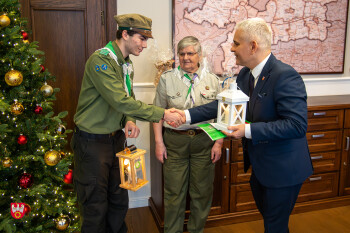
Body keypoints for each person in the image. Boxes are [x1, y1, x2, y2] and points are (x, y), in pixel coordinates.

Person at [177, 18, 313, 233]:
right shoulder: (245, 74)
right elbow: (222, 105)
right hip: (260, 166)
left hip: (283, 169)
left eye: (235, 43)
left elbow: (296, 125)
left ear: (253, 46)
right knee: (271, 220)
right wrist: (184, 115)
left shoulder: (285, 75)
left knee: (275, 226)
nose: (231, 48)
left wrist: (247, 130)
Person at [71, 14, 182, 233]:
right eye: (141, 38)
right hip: (92, 144)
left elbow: (127, 98)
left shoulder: (126, 64)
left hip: (115, 140)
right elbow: (118, 100)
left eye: (146, 40)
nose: (144, 44)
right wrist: (162, 113)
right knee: (95, 206)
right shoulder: (101, 60)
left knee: (119, 199)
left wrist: (129, 119)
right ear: (125, 34)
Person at [153, 36, 223, 233]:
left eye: (190, 53)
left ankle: (196, 230)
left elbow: (220, 115)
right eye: (182, 54)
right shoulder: (167, 79)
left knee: (201, 192)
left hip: (204, 141)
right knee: (174, 193)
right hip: (175, 142)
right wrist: (159, 143)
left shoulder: (213, 80)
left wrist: (218, 143)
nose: (185, 58)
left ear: (199, 55)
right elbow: (157, 113)